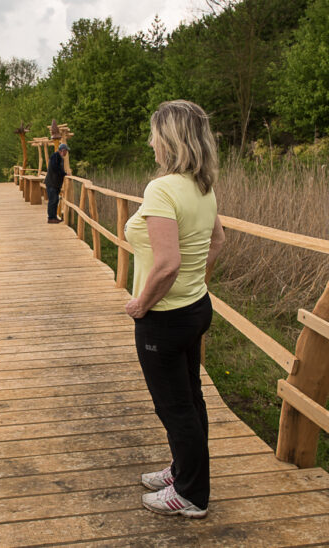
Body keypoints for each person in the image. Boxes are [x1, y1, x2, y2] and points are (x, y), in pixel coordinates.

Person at [124, 100, 225, 519]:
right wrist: (192, 284)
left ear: (169, 140)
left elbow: (166, 263)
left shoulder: (162, 188)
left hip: (164, 318)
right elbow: (217, 241)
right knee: (191, 400)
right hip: (195, 307)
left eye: (154, 135)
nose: (150, 142)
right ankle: (184, 471)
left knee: (174, 406)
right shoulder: (201, 186)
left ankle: (190, 495)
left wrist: (140, 304)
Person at [44, 143, 68, 223]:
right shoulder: (55, 156)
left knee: (56, 200)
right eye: (66, 151)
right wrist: (64, 174)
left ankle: (54, 217)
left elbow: (58, 168)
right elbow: (55, 168)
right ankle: (51, 218)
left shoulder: (59, 157)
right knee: (53, 200)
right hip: (52, 183)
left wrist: (63, 173)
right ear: (62, 150)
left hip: (55, 184)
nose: (66, 153)